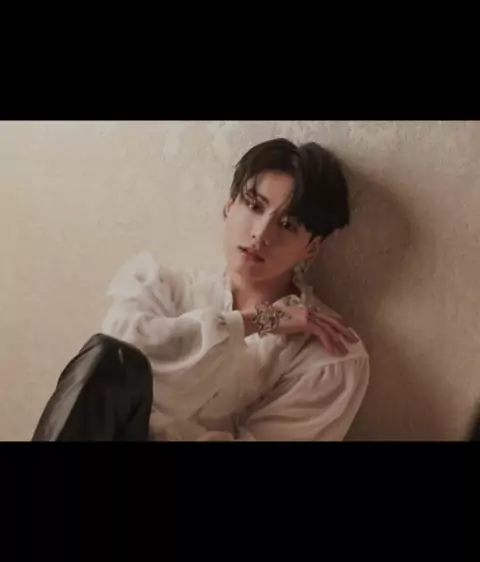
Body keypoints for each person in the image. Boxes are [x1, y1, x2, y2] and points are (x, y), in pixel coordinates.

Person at [32, 138, 369, 441]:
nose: (261, 233)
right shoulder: (163, 288)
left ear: (312, 247)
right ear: (229, 205)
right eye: (254, 205)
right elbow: (113, 363)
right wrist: (258, 320)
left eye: (286, 224)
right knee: (111, 357)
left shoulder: (330, 354)